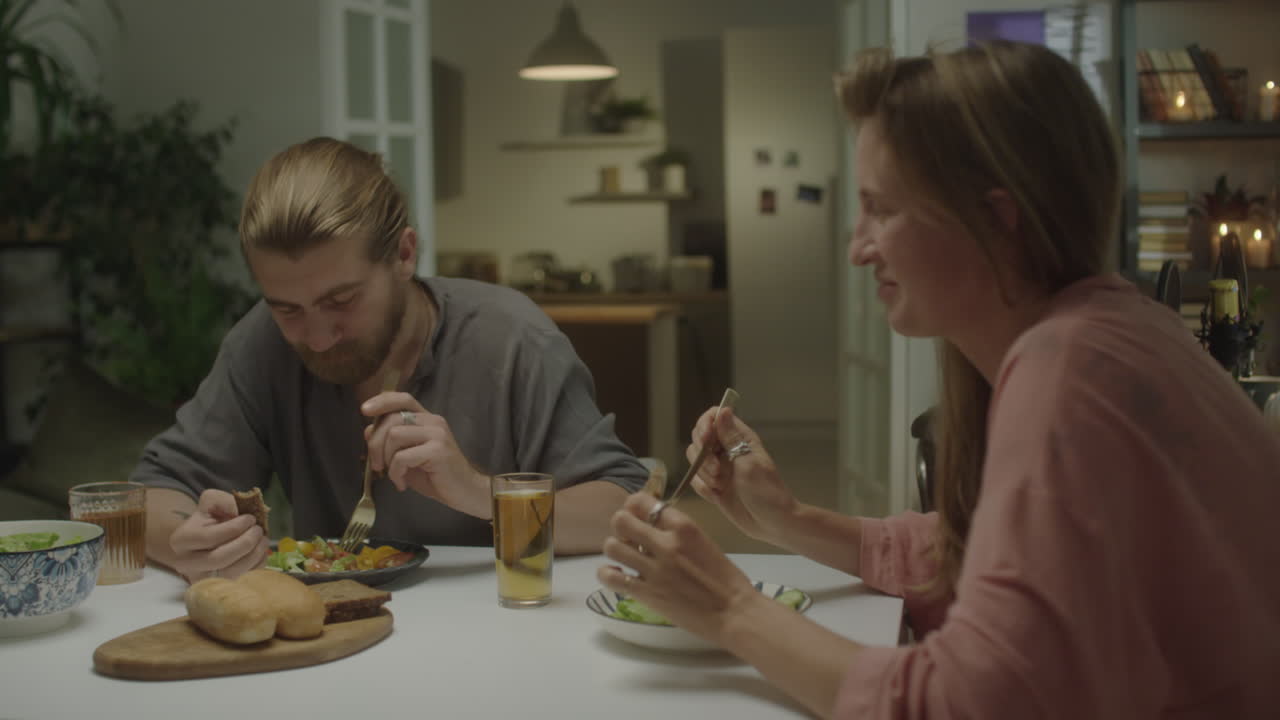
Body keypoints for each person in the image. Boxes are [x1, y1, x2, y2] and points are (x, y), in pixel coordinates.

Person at [597, 41, 1280, 719]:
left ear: (998, 219)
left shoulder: (1070, 375)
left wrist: (728, 608)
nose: (858, 246)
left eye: (882, 209)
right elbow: (982, 560)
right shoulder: (1118, 327)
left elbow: (964, 705)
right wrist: (791, 520)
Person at [133, 137, 647, 582]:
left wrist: (477, 492)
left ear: (404, 255)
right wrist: (187, 538)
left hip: (500, 633)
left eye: (341, 301)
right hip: (331, 639)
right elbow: (152, 493)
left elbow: (626, 508)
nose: (317, 337)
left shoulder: (514, 341)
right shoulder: (262, 342)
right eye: (288, 308)